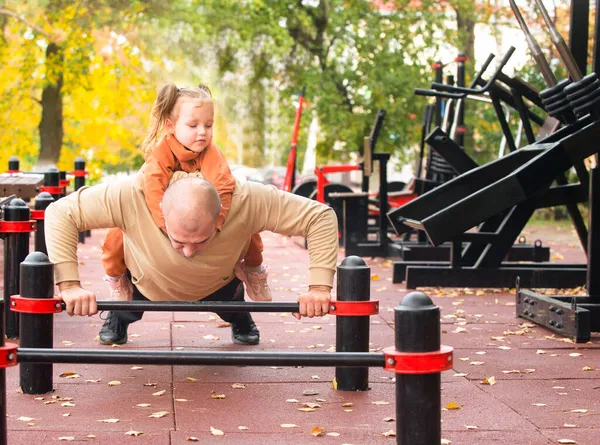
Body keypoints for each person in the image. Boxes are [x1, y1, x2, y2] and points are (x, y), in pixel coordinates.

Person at [44, 173, 339, 346]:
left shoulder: (246, 198)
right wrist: (69, 285)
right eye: (178, 241)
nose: (188, 251)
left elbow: (320, 217)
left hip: (219, 280)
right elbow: (60, 213)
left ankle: (239, 313)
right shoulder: (132, 194)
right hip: (148, 280)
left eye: (199, 241)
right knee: (126, 296)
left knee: (233, 298)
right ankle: (119, 316)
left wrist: (319, 288)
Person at [100, 83, 271, 304]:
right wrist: (166, 227)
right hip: (164, 221)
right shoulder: (161, 152)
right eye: (193, 125)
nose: (202, 131)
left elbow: (223, 187)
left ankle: (253, 269)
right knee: (118, 229)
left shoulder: (210, 152)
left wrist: (216, 224)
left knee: (248, 221)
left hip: (205, 221)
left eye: (208, 125)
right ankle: (116, 276)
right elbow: (153, 188)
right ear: (171, 126)